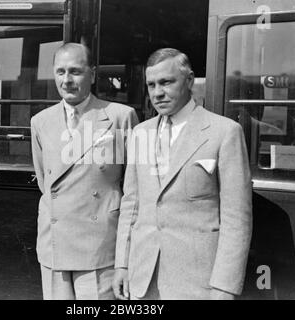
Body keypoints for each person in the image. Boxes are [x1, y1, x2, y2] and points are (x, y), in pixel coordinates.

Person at [113, 48, 252, 300]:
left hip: (198, 283)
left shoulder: (224, 132)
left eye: (166, 82)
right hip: (143, 279)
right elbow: (131, 204)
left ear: (189, 81)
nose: (157, 93)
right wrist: (122, 264)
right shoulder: (140, 133)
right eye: (151, 84)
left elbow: (236, 218)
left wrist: (225, 286)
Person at [31, 43, 139, 300]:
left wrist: (124, 257)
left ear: (92, 74)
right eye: (60, 72)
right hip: (54, 245)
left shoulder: (120, 117)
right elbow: (45, 181)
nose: (66, 80)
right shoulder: (40, 121)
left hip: (99, 246)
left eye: (75, 71)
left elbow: (134, 190)